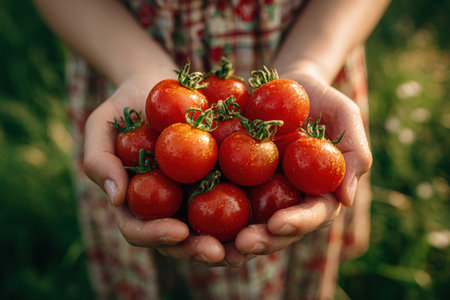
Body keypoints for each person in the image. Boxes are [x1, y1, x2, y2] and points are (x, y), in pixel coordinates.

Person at [33, 0, 390, 299]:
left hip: (314, 40)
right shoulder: (170, 126)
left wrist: (309, 64)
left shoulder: (273, 123)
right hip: (118, 51)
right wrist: (138, 70)